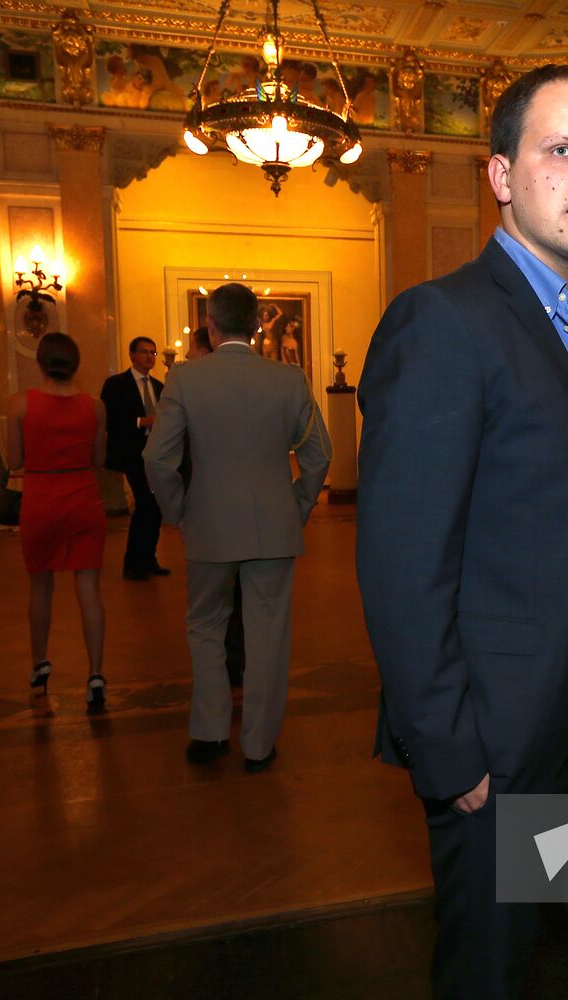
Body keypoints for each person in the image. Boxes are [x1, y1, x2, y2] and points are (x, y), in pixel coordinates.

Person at [357, 64, 568, 999]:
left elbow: (567, 510)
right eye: (561, 151)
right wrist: (454, 756)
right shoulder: (444, 321)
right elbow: (405, 566)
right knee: (492, 972)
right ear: (500, 177)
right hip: (501, 743)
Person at [144, 283, 331, 772]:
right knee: (267, 631)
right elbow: (319, 455)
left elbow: (158, 458)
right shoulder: (289, 380)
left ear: (210, 324)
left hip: (207, 520)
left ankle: (209, 734)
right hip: (274, 524)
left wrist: (177, 510)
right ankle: (258, 745)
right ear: (255, 326)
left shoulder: (184, 379)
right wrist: (298, 504)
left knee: (205, 624)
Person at [6, 333, 108, 710]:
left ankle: (40, 662)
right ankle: (95, 674)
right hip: (84, 498)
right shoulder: (94, 408)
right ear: (77, 362)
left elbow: (15, 461)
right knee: (89, 589)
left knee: (41, 588)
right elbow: (100, 459)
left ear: (40, 361)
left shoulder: (20, 405)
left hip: (41, 500)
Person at [183, 325, 245, 687]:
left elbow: (165, 456)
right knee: (242, 597)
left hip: (207, 512)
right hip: (251, 512)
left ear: (207, 348)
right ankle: (237, 664)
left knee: (208, 610)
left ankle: (216, 684)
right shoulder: (257, 384)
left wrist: (177, 508)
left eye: (192, 347)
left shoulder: (189, 386)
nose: (188, 355)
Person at [101, 336, 168, 581]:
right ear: (132, 355)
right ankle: (133, 563)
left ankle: (148, 558)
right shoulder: (116, 384)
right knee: (146, 503)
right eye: (144, 352)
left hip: (154, 454)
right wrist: (142, 421)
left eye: (153, 352)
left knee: (155, 506)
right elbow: (109, 419)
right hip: (131, 453)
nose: (150, 357)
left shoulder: (160, 387)